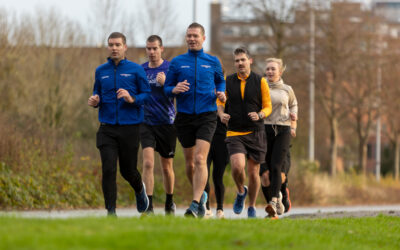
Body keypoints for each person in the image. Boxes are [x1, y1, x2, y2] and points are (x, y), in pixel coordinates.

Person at [164, 22, 226, 218]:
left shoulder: (213, 61)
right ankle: (202, 195)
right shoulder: (177, 62)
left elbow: (220, 80)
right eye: (189, 36)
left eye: (195, 36)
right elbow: (166, 88)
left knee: (201, 159)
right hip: (184, 117)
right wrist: (174, 90)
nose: (191, 39)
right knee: (190, 164)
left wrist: (221, 92)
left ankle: (195, 203)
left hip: (207, 115)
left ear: (203, 38)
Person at [88, 32, 150, 216]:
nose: (114, 48)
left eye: (117, 44)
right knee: (108, 168)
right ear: (108, 47)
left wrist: (132, 98)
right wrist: (95, 100)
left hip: (130, 127)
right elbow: (96, 92)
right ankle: (111, 212)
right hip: (107, 127)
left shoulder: (136, 69)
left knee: (128, 170)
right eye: (111, 45)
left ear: (125, 47)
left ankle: (139, 189)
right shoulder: (101, 71)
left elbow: (146, 94)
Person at [217, 47, 272, 218]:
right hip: (234, 131)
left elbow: (268, 105)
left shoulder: (260, 81)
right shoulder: (228, 80)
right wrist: (221, 114)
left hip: (255, 131)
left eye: (242, 60)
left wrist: (260, 114)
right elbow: (220, 100)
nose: (239, 63)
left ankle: (252, 207)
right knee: (236, 166)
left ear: (250, 61)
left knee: (254, 173)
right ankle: (241, 191)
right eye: (236, 61)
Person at [140, 35, 176, 215]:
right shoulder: (141, 70)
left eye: (155, 48)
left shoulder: (170, 68)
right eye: (148, 48)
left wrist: (165, 84)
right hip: (146, 123)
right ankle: (149, 206)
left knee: (166, 167)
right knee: (147, 163)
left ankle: (169, 202)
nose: (151, 52)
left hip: (167, 123)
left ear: (161, 49)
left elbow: (177, 93)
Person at [259, 57, 298, 219]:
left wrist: (294, 124)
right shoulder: (260, 87)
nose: (269, 71)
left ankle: (275, 202)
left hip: (283, 129)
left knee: (276, 167)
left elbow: (294, 104)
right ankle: (272, 204)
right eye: (267, 69)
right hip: (264, 130)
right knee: (264, 174)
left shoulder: (287, 89)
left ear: (280, 71)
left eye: (273, 69)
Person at [204, 99, 229, 219]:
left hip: (222, 141)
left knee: (218, 177)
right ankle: (207, 208)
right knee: (205, 175)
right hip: (205, 139)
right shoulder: (203, 93)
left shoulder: (225, 95)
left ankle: (220, 209)